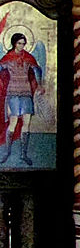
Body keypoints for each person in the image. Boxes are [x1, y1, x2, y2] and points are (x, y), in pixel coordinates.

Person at [0, 33, 43, 166]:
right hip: (13, 92)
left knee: (26, 123)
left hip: (26, 92)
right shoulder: (8, 57)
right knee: (13, 122)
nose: (22, 46)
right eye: (19, 43)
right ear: (14, 43)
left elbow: (37, 70)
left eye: (23, 44)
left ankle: (24, 154)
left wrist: (39, 84)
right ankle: (7, 152)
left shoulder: (28, 57)